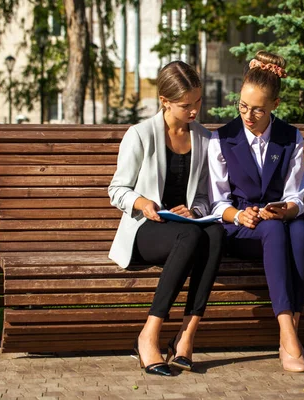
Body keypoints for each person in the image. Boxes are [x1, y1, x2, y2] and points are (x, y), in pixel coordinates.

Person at [108, 61, 224, 376]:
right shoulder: (140, 135)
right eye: (186, 105)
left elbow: (202, 196)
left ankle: (186, 336)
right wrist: (142, 201)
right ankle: (149, 334)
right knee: (193, 236)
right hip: (146, 230)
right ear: (164, 101)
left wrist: (195, 211)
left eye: (198, 102)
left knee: (214, 234)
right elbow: (117, 190)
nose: (194, 110)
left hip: (185, 227)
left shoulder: (203, 138)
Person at [208, 51, 304, 373]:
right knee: (271, 230)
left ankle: (289, 337)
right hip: (239, 228)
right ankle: (289, 335)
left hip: (280, 220)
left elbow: (296, 194)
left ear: (275, 105)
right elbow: (217, 202)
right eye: (243, 106)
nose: (248, 115)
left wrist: (285, 210)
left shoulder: (290, 138)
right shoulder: (222, 139)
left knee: (301, 233)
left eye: (257, 109)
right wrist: (239, 216)